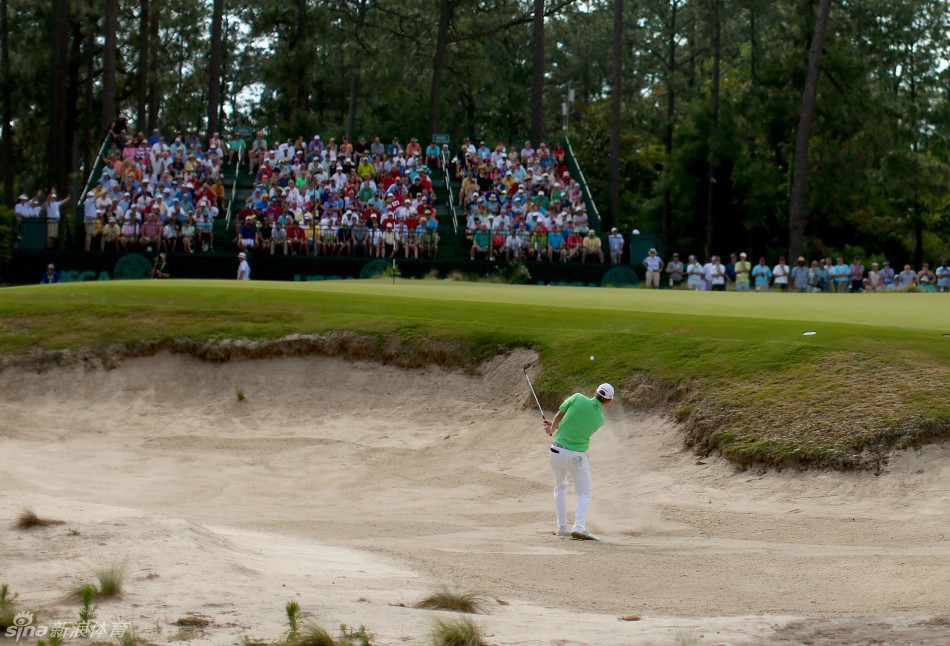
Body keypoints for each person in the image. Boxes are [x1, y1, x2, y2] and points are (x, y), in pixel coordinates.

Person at [544, 382, 614, 541]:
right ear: (609, 401)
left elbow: (559, 415)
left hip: (556, 451)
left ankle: (562, 527)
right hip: (576, 456)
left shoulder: (577, 397)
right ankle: (579, 527)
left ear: (595, 391)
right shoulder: (600, 419)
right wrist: (556, 427)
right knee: (584, 492)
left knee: (560, 487)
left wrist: (552, 429)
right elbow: (577, 426)